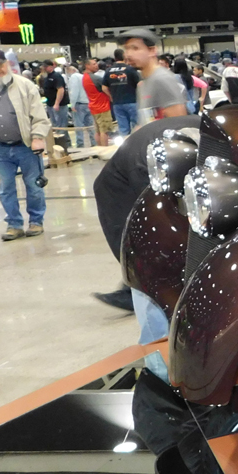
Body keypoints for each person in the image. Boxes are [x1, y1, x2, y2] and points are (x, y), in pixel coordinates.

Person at [91, 115, 201, 372]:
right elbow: (173, 217)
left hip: (154, 163)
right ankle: (160, 367)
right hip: (120, 195)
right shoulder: (153, 167)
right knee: (152, 271)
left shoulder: (213, 140)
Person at [0, 48, 50, 241]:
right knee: (6, 188)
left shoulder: (25, 86)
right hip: (0, 148)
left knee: (33, 186)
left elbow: (39, 116)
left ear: (6, 64)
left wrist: (38, 137)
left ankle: (36, 221)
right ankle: (14, 225)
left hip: (26, 146)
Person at [121, 28, 187, 123]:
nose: (128, 54)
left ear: (152, 51)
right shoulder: (144, 83)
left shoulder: (162, 79)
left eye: (135, 48)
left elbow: (179, 123)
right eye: (126, 49)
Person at [102, 48, 141, 136]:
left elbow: (104, 88)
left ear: (115, 58)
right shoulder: (130, 69)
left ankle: (125, 143)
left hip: (117, 103)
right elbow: (140, 84)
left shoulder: (108, 71)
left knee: (123, 129)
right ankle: (137, 142)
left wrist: (111, 97)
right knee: (137, 126)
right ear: (124, 56)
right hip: (132, 101)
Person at [82, 57, 113, 146]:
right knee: (104, 131)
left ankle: (100, 148)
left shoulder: (84, 77)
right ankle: (105, 149)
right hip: (102, 107)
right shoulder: (96, 78)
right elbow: (105, 88)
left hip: (93, 106)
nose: (97, 66)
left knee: (98, 131)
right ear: (87, 66)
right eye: (94, 64)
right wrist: (111, 98)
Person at [65, 63, 92, 148]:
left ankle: (80, 145)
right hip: (88, 103)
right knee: (91, 126)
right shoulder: (83, 76)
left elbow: (74, 91)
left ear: (72, 71)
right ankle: (94, 143)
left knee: (79, 127)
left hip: (79, 104)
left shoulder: (74, 77)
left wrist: (72, 104)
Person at [39, 61, 68, 133]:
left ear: (51, 67)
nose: (44, 68)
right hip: (50, 104)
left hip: (59, 105)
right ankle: (59, 139)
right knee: (55, 125)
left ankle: (63, 139)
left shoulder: (56, 76)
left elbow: (60, 90)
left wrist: (57, 103)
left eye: (45, 67)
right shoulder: (47, 77)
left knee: (61, 126)